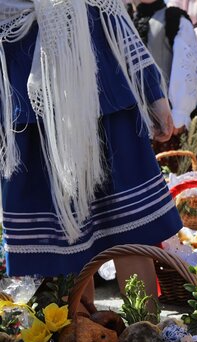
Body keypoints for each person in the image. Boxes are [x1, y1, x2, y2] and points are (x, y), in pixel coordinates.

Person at [0, 1, 182, 299]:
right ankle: (80, 333)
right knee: (64, 239)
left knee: (131, 225)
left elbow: (111, 13)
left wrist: (152, 91)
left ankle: (148, 337)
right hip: (31, 101)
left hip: (99, 88)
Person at [131, 0, 197, 153]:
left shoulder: (174, 18)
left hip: (167, 119)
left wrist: (179, 112)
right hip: (133, 119)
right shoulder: (123, 18)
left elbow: (188, 65)